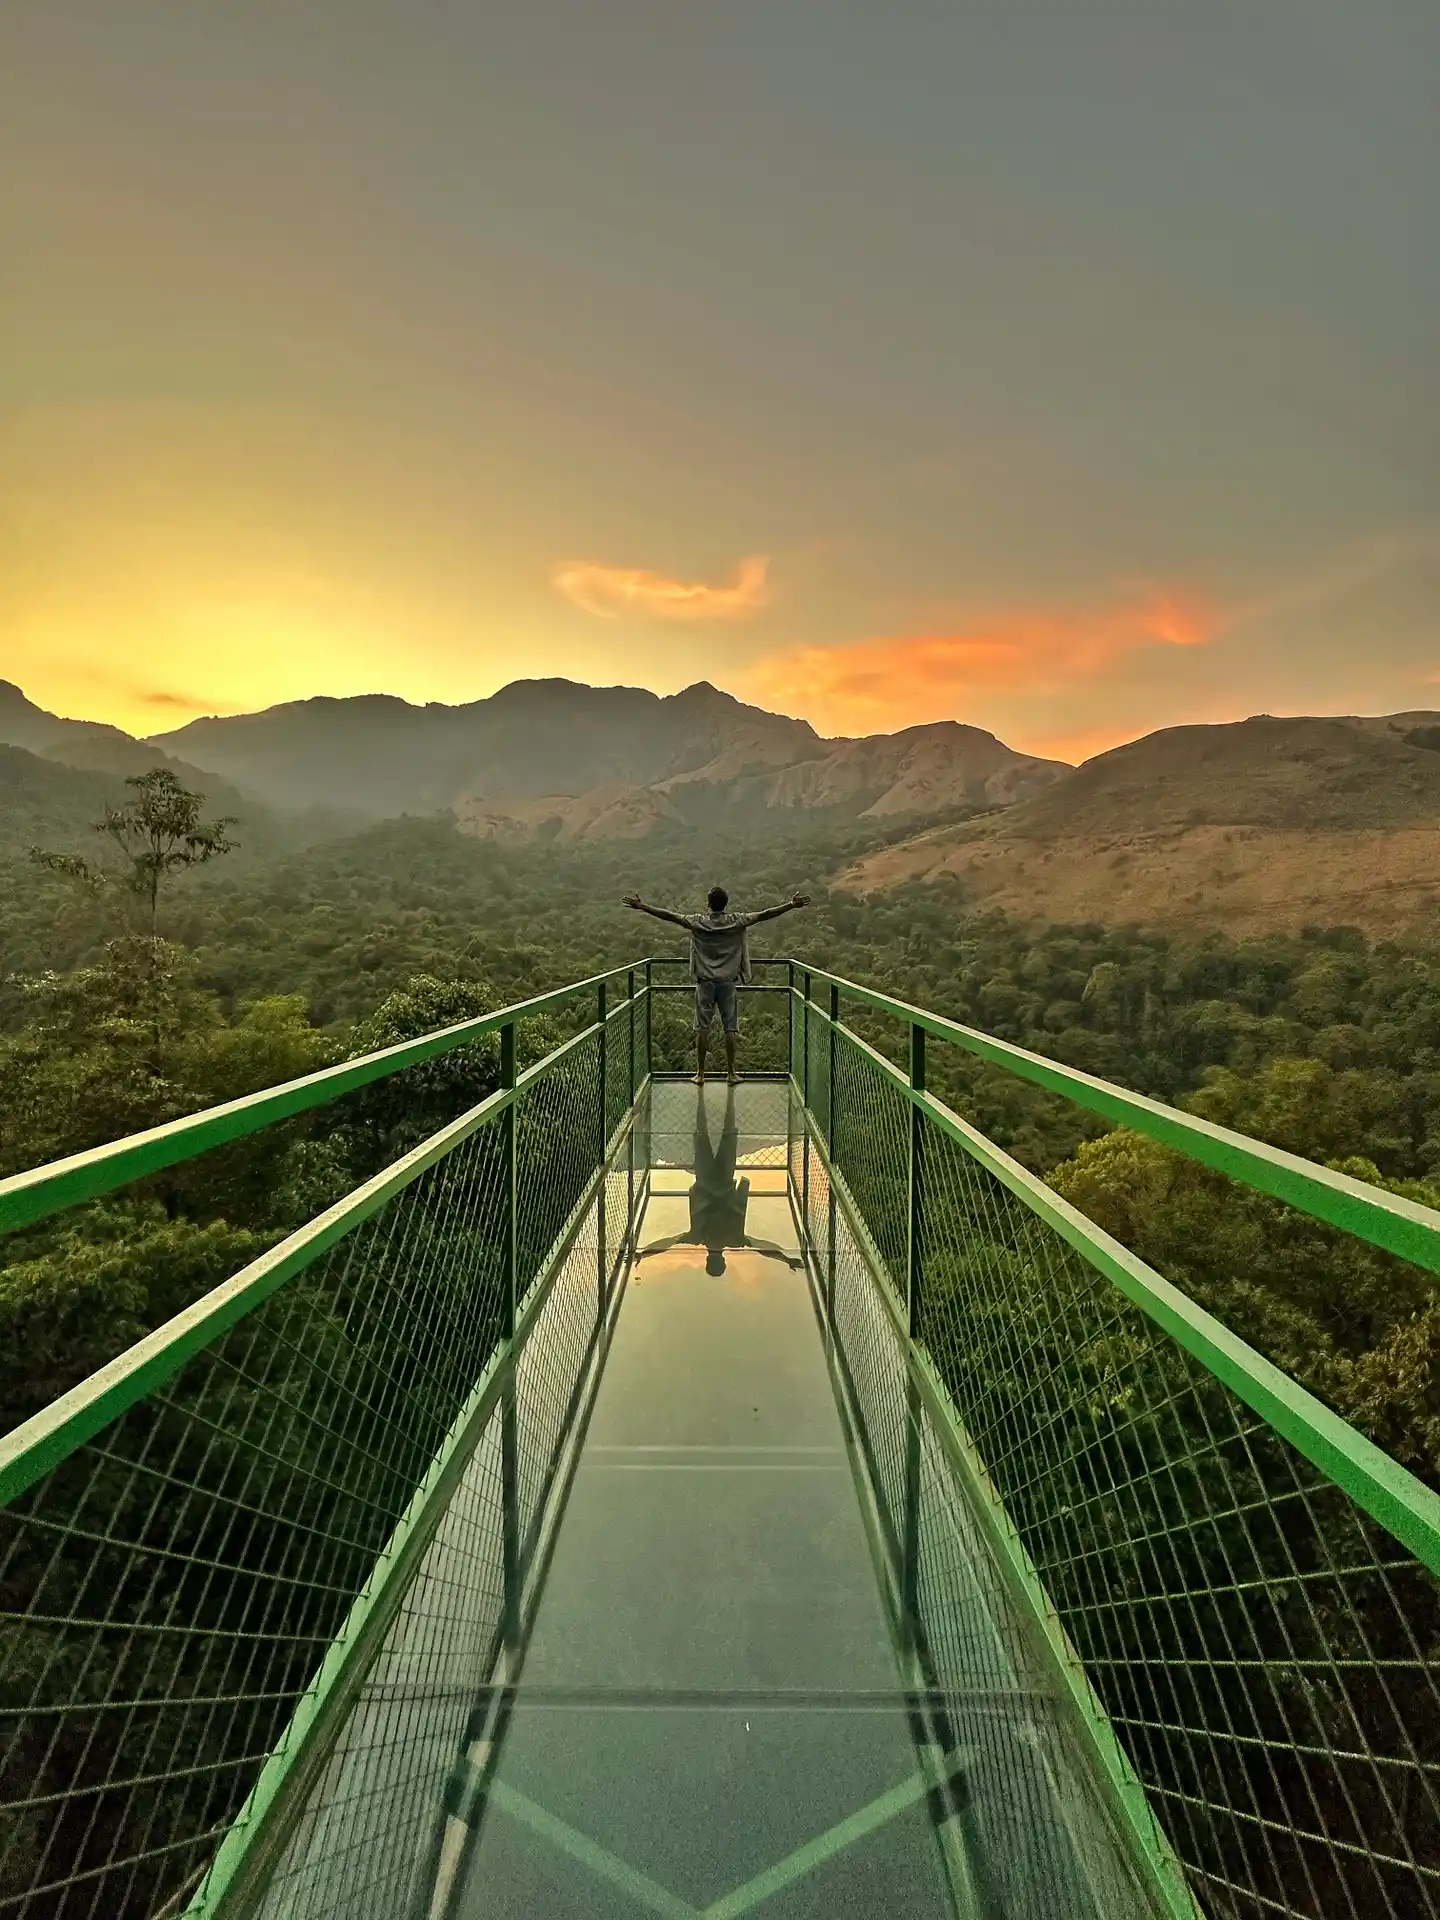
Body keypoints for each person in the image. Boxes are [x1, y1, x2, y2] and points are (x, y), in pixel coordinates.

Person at [623, 883, 811, 1083]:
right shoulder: (736, 920)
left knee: (702, 1028)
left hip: (705, 983)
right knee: (730, 1028)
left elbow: (669, 916)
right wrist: (791, 905)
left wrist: (643, 907)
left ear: (708, 904)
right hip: (727, 983)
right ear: (725, 904)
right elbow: (765, 914)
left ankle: (700, 1074)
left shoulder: (697, 922)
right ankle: (731, 1073)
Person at [635, 1085, 801, 1276]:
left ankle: (724, 1093)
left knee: (722, 1131)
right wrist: (642, 1253)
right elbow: (762, 1247)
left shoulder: (720, 1237)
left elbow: (668, 1242)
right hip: (709, 1177)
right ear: (711, 1259)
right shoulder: (712, 1236)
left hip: (720, 1176)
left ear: (720, 1260)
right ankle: (708, 1091)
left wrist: (643, 1253)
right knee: (707, 1131)